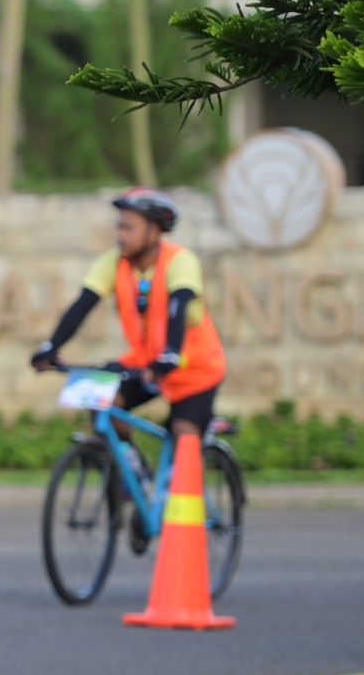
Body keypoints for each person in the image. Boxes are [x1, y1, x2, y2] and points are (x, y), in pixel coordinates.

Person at [32, 189, 227, 545]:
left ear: (155, 231)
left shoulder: (180, 261)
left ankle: (186, 530)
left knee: (184, 436)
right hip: (145, 364)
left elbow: (179, 306)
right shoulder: (113, 264)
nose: (120, 235)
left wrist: (171, 353)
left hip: (194, 369)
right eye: (119, 227)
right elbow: (82, 305)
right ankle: (137, 475)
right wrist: (51, 347)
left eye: (129, 228)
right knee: (101, 403)